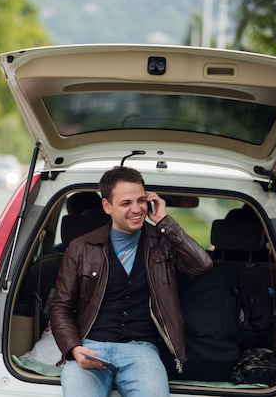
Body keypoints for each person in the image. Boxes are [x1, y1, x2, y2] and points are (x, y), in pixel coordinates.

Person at [49, 166, 213, 397]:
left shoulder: (162, 243)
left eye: (141, 201)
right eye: (126, 203)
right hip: (90, 346)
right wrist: (74, 348)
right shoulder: (81, 248)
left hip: (142, 350)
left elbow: (202, 265)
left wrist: (164, 221)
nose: (136, 209)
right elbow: (60, 306)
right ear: (107, 206)